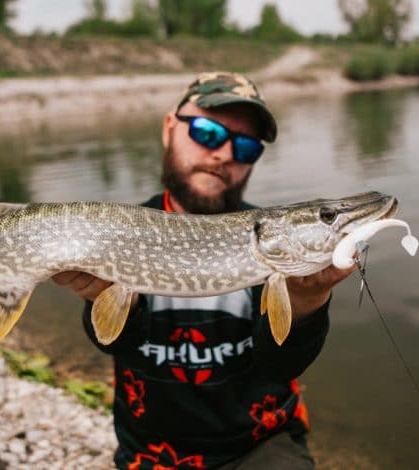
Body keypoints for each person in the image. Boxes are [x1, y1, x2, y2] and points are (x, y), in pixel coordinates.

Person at [53, 72, 356, 469]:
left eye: (246, 147)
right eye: (208, 133)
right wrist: (98, 295)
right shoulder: (123, 228)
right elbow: (116, 342)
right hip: (151, 451)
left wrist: (306, 302)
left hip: (261, 446)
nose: (225, 154)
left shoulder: (266, 238)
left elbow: (281, 367)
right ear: (169, 128)